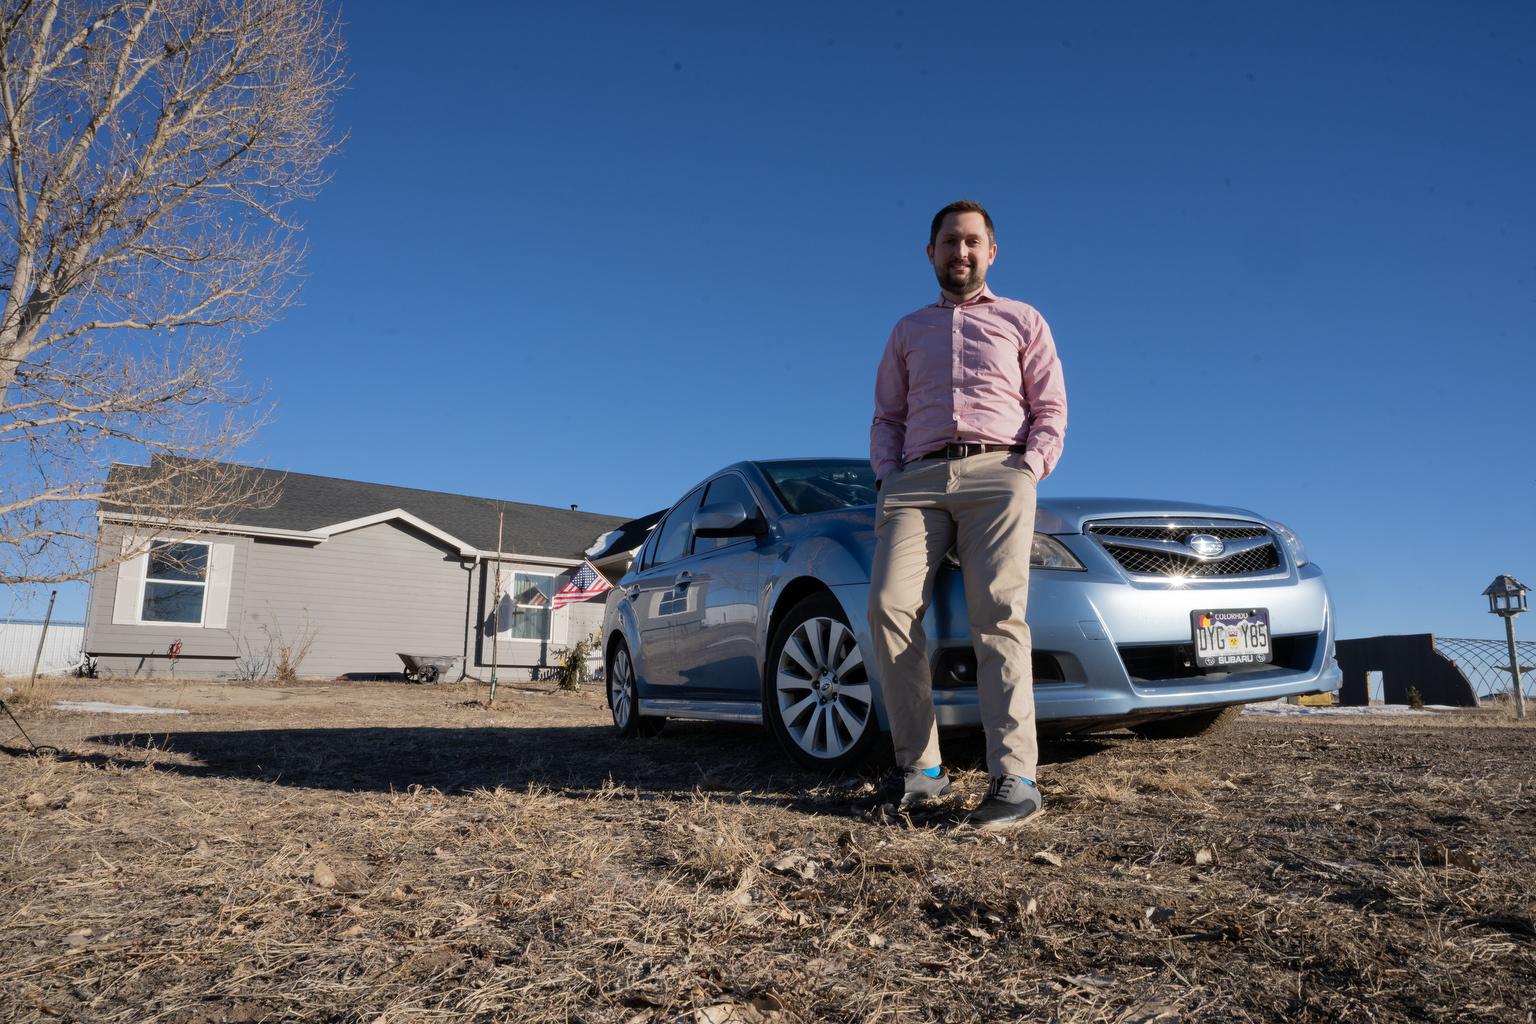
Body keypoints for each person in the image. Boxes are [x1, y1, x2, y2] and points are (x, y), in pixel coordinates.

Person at [867, 199, 1067, 829]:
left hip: (999, 472)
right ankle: (922, 771)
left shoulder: (1023, 318)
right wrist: (888, 475)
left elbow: (1050, 407)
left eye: (973, 242)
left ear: (992, 252)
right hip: (916, 480)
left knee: (999, 616)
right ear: (931, 253)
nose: (961, 252)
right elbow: (887, 417)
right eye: (950, 242)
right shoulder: (906, 330)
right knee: (888, 606)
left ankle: (1014, 779)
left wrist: (1029, 466)